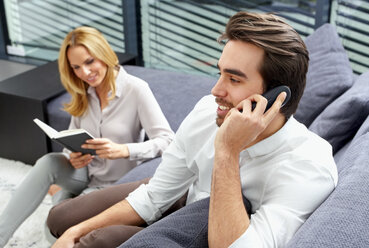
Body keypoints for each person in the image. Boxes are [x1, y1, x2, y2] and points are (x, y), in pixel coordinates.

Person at [47, 12, 338, 248]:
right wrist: (75, 231)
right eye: (219, 73)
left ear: (276, 97)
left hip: (207, 223)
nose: (216, 91)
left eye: (234, 80)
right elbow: (155, 195)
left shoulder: (308, 167)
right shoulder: (206, 111)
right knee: (61, 219)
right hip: (184, 194)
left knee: (97, 241)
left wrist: (228, 151)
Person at [0, 26, 174, 247]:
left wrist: (124, 150)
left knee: (55, 231)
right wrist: (72, 156)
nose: (84, 72)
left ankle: (60, 196)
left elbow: (167, 141)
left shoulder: (136, 89)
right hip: (84, 173)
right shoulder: (84, 92)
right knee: (49, 162)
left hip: (110, 186)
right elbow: (70, 140)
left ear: (103, 54)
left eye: (89, 61)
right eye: (76, 67)